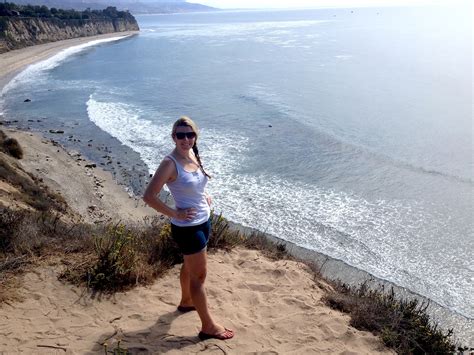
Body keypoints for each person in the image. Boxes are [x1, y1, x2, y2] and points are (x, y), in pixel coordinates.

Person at [143, 116, 234, 341]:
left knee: (189, 267)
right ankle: (208, 327)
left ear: (195, 136)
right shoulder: (169, 163)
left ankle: (186, 302)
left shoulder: (193, 154)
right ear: (173, 137)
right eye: (180, 135)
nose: (186, 139)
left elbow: (193, 183)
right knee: (199, 276)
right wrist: (176, 213)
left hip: (203, 221)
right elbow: (148, 196)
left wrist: (204, 196)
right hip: (188, 228)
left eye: (190, 134)